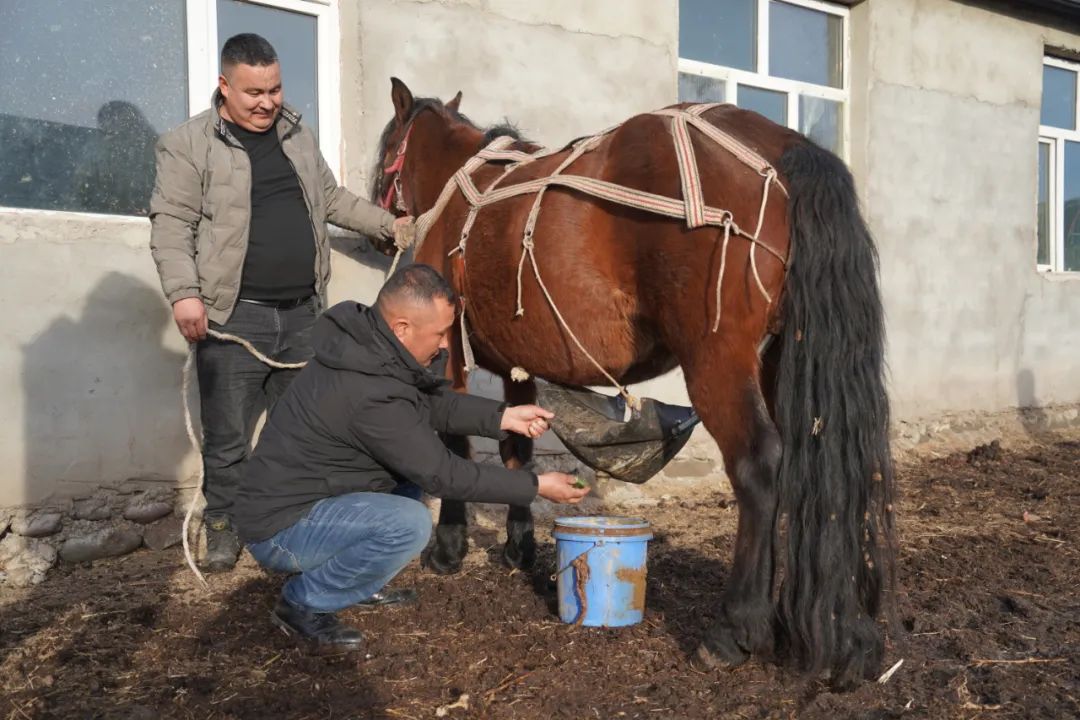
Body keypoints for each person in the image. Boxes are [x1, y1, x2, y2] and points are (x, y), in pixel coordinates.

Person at [148, 33, 410, 572]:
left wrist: (391, 226)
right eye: (253, 92)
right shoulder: (188, 144)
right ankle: (224, 523)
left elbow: (330, 198)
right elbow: (172, 224)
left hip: (302, 315)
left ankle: (299, 523)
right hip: (232, 318)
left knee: (308, 432)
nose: (268, 102)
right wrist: (185, 294)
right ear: (224, 85)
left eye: (275, 88)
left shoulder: (296, 132)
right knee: (228, 437)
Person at [235, 264, 589, 651]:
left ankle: (355, 581)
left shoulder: (371, 350)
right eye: (439, 334)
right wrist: (536, 485)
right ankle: (303, 602)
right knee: (408, 523)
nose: (443, 346)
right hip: (282, 530)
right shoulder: (369, 390)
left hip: (316, 498)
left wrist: (502, 416)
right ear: (402, 327)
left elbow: (428, 403)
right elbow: (444, 475)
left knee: (407, 481)